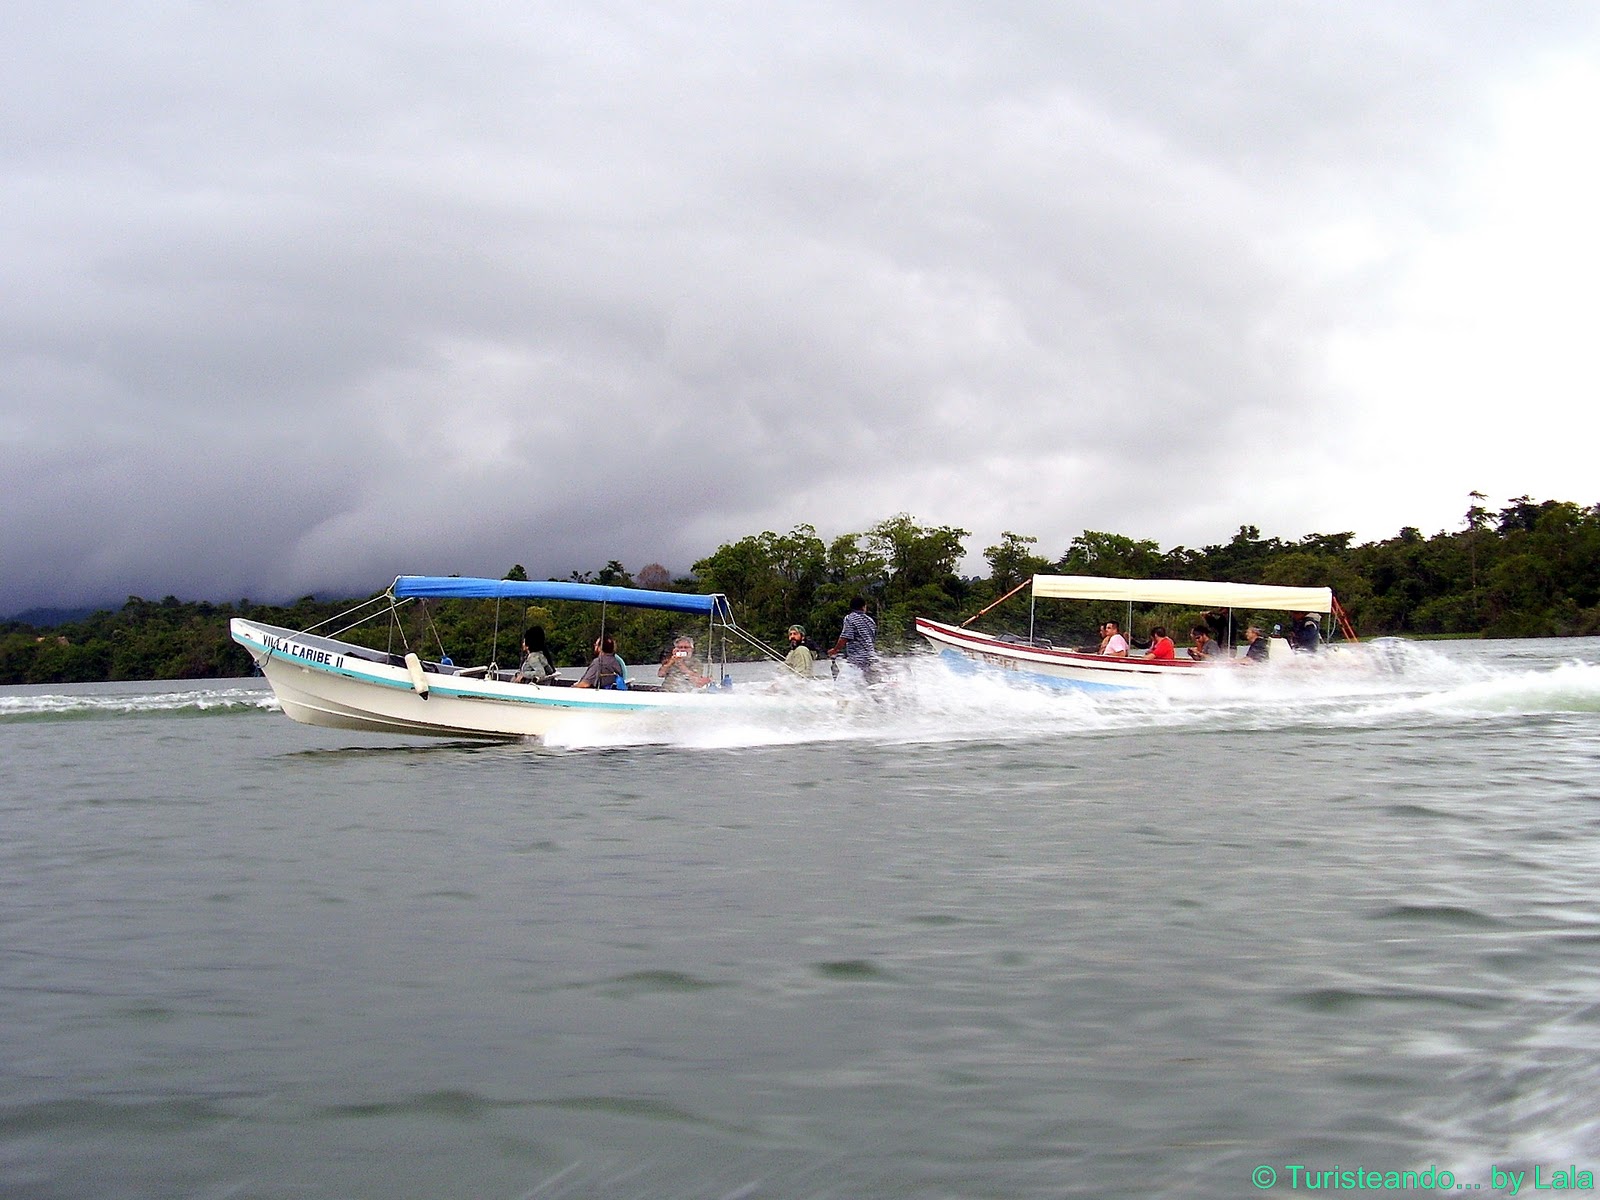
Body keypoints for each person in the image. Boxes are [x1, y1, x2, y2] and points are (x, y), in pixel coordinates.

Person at [829, 596, 879, 681]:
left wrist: (835, 650)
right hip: (871, 657)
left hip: (857, 660)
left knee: (847, 685)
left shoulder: (849, 618)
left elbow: (844, 637)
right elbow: (872, 639)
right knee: (870, 683)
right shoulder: (870, 620)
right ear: (863, 607)